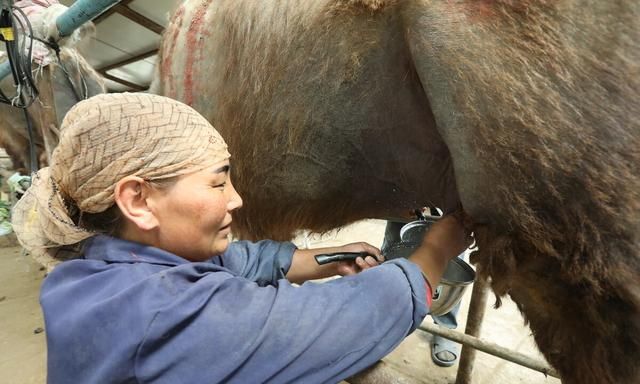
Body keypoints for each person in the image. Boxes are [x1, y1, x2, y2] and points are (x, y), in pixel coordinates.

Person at [12, 93, 471, 384]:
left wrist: (319, 259)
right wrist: (435, 248)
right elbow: (353, 316)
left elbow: (234, 262)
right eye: (217, 183)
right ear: (138, 199)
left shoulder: (91, 271)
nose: (237, 200)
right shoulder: (174, 319)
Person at [382, 217, 467, 367]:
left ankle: (444, 327)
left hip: (454, 200)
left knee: (452, 244)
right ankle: (384, 318)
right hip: (404, 198)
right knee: (395, 245)